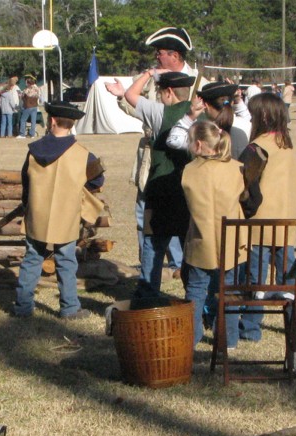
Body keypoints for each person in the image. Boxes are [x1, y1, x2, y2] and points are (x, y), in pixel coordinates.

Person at [105, 27, 202, 280]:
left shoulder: (198, 81)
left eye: (161, 53)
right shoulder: (151, 79)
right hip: (152, 155)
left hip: (189, 158)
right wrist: (119, 96)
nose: (157, 58)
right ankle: (152, 268)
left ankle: (180, 265)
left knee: (185, 219)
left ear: (175, 55)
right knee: (145, 215)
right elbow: (135, 107)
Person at [108, 71, 195, 300]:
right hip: (192, 191)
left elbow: (130, 94)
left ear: (168, 92)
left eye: (160, 92)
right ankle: (197, 296)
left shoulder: (159, 112)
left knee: (153, 246)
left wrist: (148, 73)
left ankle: (148, 295)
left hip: (161, 190)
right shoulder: (200, 115)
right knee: (193, 248)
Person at [14, 101, 104, 320]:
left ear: (52, 120)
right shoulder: (84, 155)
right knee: (66, 261)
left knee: (32, 259)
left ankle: (23, 307)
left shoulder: (33, 151)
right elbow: (98, 180)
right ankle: (69, 308)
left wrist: (27, 206)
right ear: (71, 124)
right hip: (67, 214)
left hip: (37, 212)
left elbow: (25, 181)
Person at [238, 92, 296, 342]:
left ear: (261, 117)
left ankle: (251, 328)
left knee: (256, 281)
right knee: (290, 280)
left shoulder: (257, 148)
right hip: (286, 224)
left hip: (260, 225)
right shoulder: (286, 145)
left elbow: (245, 186)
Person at [181, 121, 245, 346]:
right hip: (233, 241)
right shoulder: (237, 168)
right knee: (229, 290)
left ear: (198, 144)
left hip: (201, 240)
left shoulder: (189, 171)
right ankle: (228, 339)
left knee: (196, 289)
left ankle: (192, 337)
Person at [167, 81, 252, 160]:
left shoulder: (204, 131)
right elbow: (246, 116)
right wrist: (239, 102)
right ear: (232, 103)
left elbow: (173, 140)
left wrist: (190, 116)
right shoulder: (247, 125)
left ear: (205, 105)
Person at [17, 74, 41, 139]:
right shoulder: (37, 89)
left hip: (28, 106)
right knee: (33, 121)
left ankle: (22, 134)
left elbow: (21, 96)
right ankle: (32, 134)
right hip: (35, 106)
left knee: (23, 120)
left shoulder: (27, 89)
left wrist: (19, 94)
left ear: (28, 84)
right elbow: (39, 96)